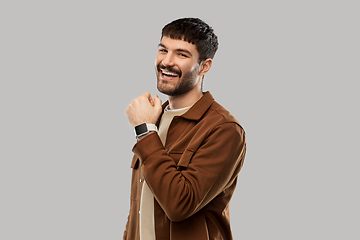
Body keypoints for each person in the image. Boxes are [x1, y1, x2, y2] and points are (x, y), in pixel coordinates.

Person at [124, 17, 246, 240]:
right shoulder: (154, 119)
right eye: (163, 50)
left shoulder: (224, 129)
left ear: (205, 66)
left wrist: (144, 131)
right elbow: (139, 208)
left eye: (182, 54)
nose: (166, 62)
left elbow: (179, 205)